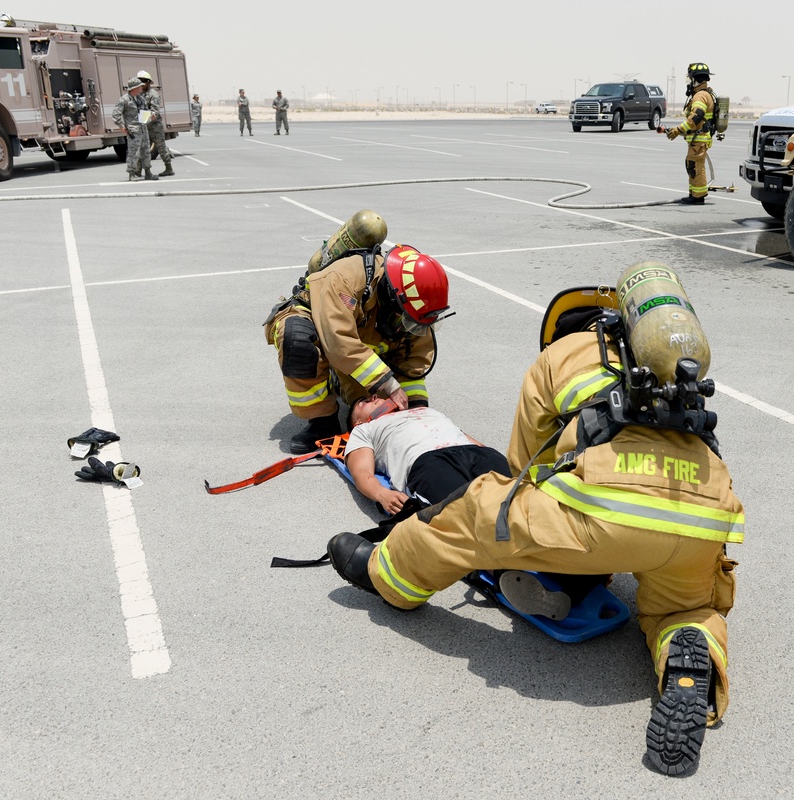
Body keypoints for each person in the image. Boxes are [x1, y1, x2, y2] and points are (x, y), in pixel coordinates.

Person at [327, 262, 745, 776]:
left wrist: (566, 539)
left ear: (563, 331)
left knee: (477, 510)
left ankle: (390, 578)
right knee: (686, 606)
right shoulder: (672, 367)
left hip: (606, 512)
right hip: (704, 518)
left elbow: (524, 468)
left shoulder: (560, 358)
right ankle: (686, 654)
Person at [264, 243, 452, 455]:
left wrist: (417, 410)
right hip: (322, 325)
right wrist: (389, 385)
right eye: (410, 320)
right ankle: (322, 422)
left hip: (356, 342)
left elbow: (415, 356)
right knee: (296, 339)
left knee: (370, 407)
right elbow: (338, 341)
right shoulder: (343, 278)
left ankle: (343, 383)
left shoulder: (414, 300)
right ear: (392, 296)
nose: (414, 327)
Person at [345, 396, 510, 514]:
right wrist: (382, 495)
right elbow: (361, 472)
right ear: (357, 422)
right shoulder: (364, 429)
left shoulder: (425, 411)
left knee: (517, 499)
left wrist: (489, 454)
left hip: (475, 452)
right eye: (363, 402)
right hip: (429, 461)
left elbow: (465, 437)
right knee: (463, 513)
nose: (373, 397)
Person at [664, 63, 716, 205]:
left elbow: (696, 117)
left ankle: (698, 197)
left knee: (695, 166)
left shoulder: (700, 96)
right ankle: (694, 193)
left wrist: (677, 130)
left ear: (694, 79)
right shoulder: (704, 94)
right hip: (697, 139)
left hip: (699, 140)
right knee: (691, 165)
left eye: (690, 79)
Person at [111, 78, 157, 182]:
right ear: (135, 88)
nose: (142, 87)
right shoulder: (124, 100)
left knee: (146, 151)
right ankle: (131, 173)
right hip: (133, 130)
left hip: (143, 129)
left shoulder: (140, 99)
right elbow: (115, 114)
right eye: (140, 86)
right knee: (133, 152)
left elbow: (144, 113)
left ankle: (148, 172)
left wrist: (151, 116)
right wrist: (122, 126)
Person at [137, 70, 174, 177]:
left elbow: (155, 111)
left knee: (161, 147)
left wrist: (144, 120)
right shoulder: (138, 94)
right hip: (143, 126)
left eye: (143, 81)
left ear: (148, 82)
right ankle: (138, 170)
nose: (141, 84)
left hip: (154, 126)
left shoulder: (153, 94)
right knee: (141, 148)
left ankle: (168, 168)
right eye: (139, 81)